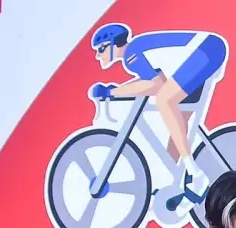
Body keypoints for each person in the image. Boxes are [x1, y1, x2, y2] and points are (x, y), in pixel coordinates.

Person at [89, 23, 228, 215]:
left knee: (165, 100)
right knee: (177, 124)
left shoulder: (131, 54)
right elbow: (151, 81)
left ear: (112, 45)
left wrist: (111, 92)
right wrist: (117, 90)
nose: (98, 55)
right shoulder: (135, 53)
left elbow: (156, 85)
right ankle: (174, 184)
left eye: (100, 49)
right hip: (207, 50)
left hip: (205, 51)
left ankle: (196, 175)